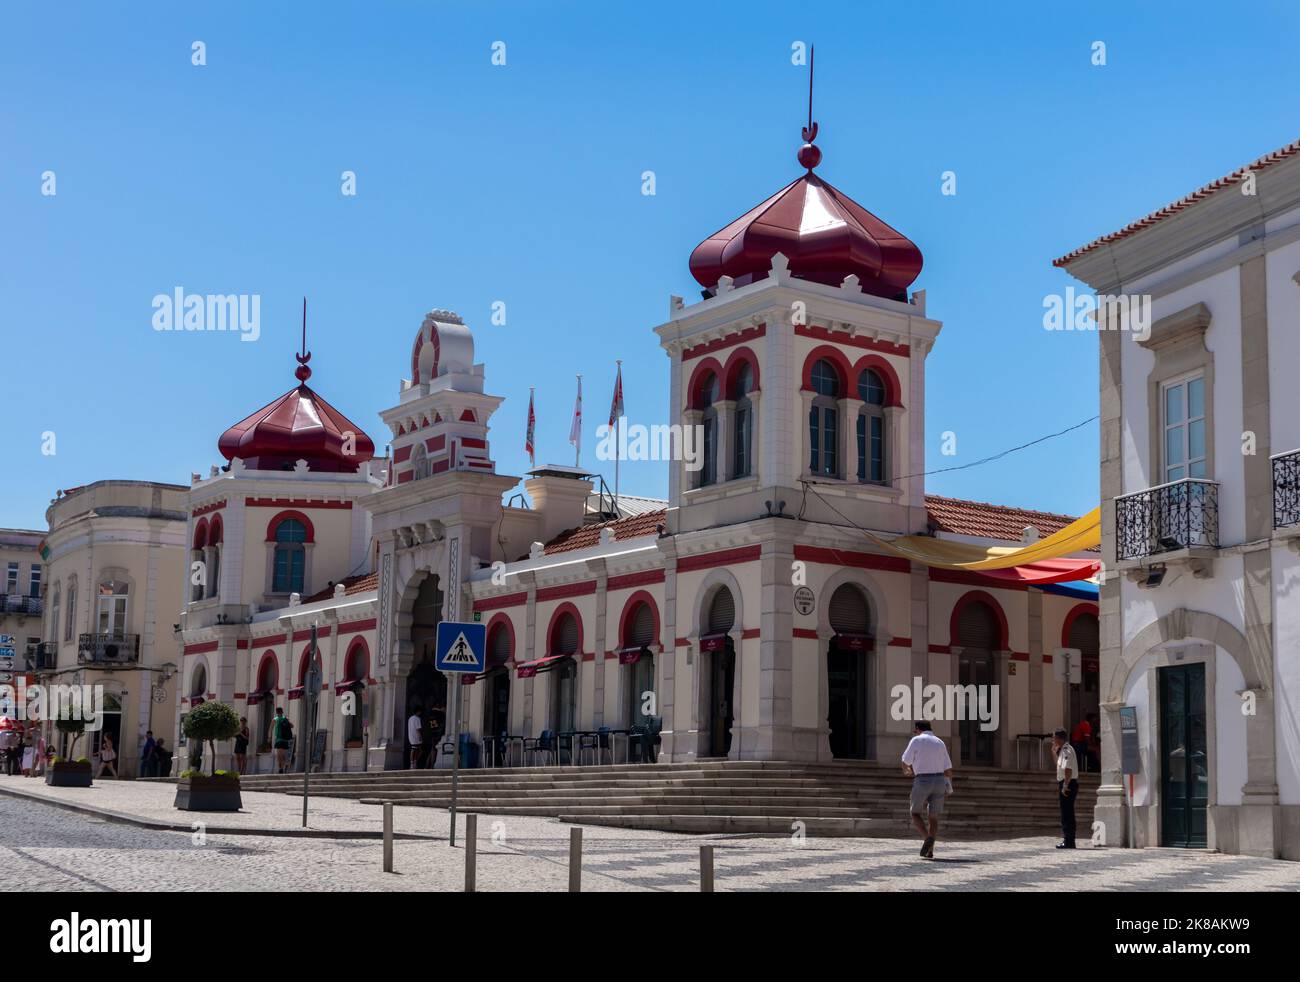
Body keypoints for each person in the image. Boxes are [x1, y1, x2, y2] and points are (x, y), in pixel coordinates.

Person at [901, 721, 954, 859]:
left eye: (915, 730)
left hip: (923, 780)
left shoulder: (917, 740)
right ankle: (930, 850)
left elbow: (905, 761)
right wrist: (948, 787)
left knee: (915, 813)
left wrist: (907, 771)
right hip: (939, 781)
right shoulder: (940, 742)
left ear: (918, 729)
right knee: (933, 817)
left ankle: (927, 839)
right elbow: (948, 769)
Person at [1052, 727, 1080, 849]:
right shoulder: (1063, 750)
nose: (1053, 739)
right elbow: (1060, 766)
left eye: (1054, 737)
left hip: (1068, 783)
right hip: (1066, 782)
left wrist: (1065, 785)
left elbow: (1068, 769)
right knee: (1066, 812)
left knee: (1067, 813)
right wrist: (1054, 752)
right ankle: (1068, 839)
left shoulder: (1067, 750)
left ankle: (1069, 840)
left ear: (1059, 738)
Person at [271, 708, 292, 773]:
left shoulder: (275, 719)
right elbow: (292, 726)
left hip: (279, 739)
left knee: (278, 755)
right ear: (282, 712)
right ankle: (282, 767)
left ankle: (280, 768)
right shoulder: (286, 718)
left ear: (277, 712)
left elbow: (270, 728)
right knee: (282, 754)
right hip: (285, 739)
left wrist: (269, 737)